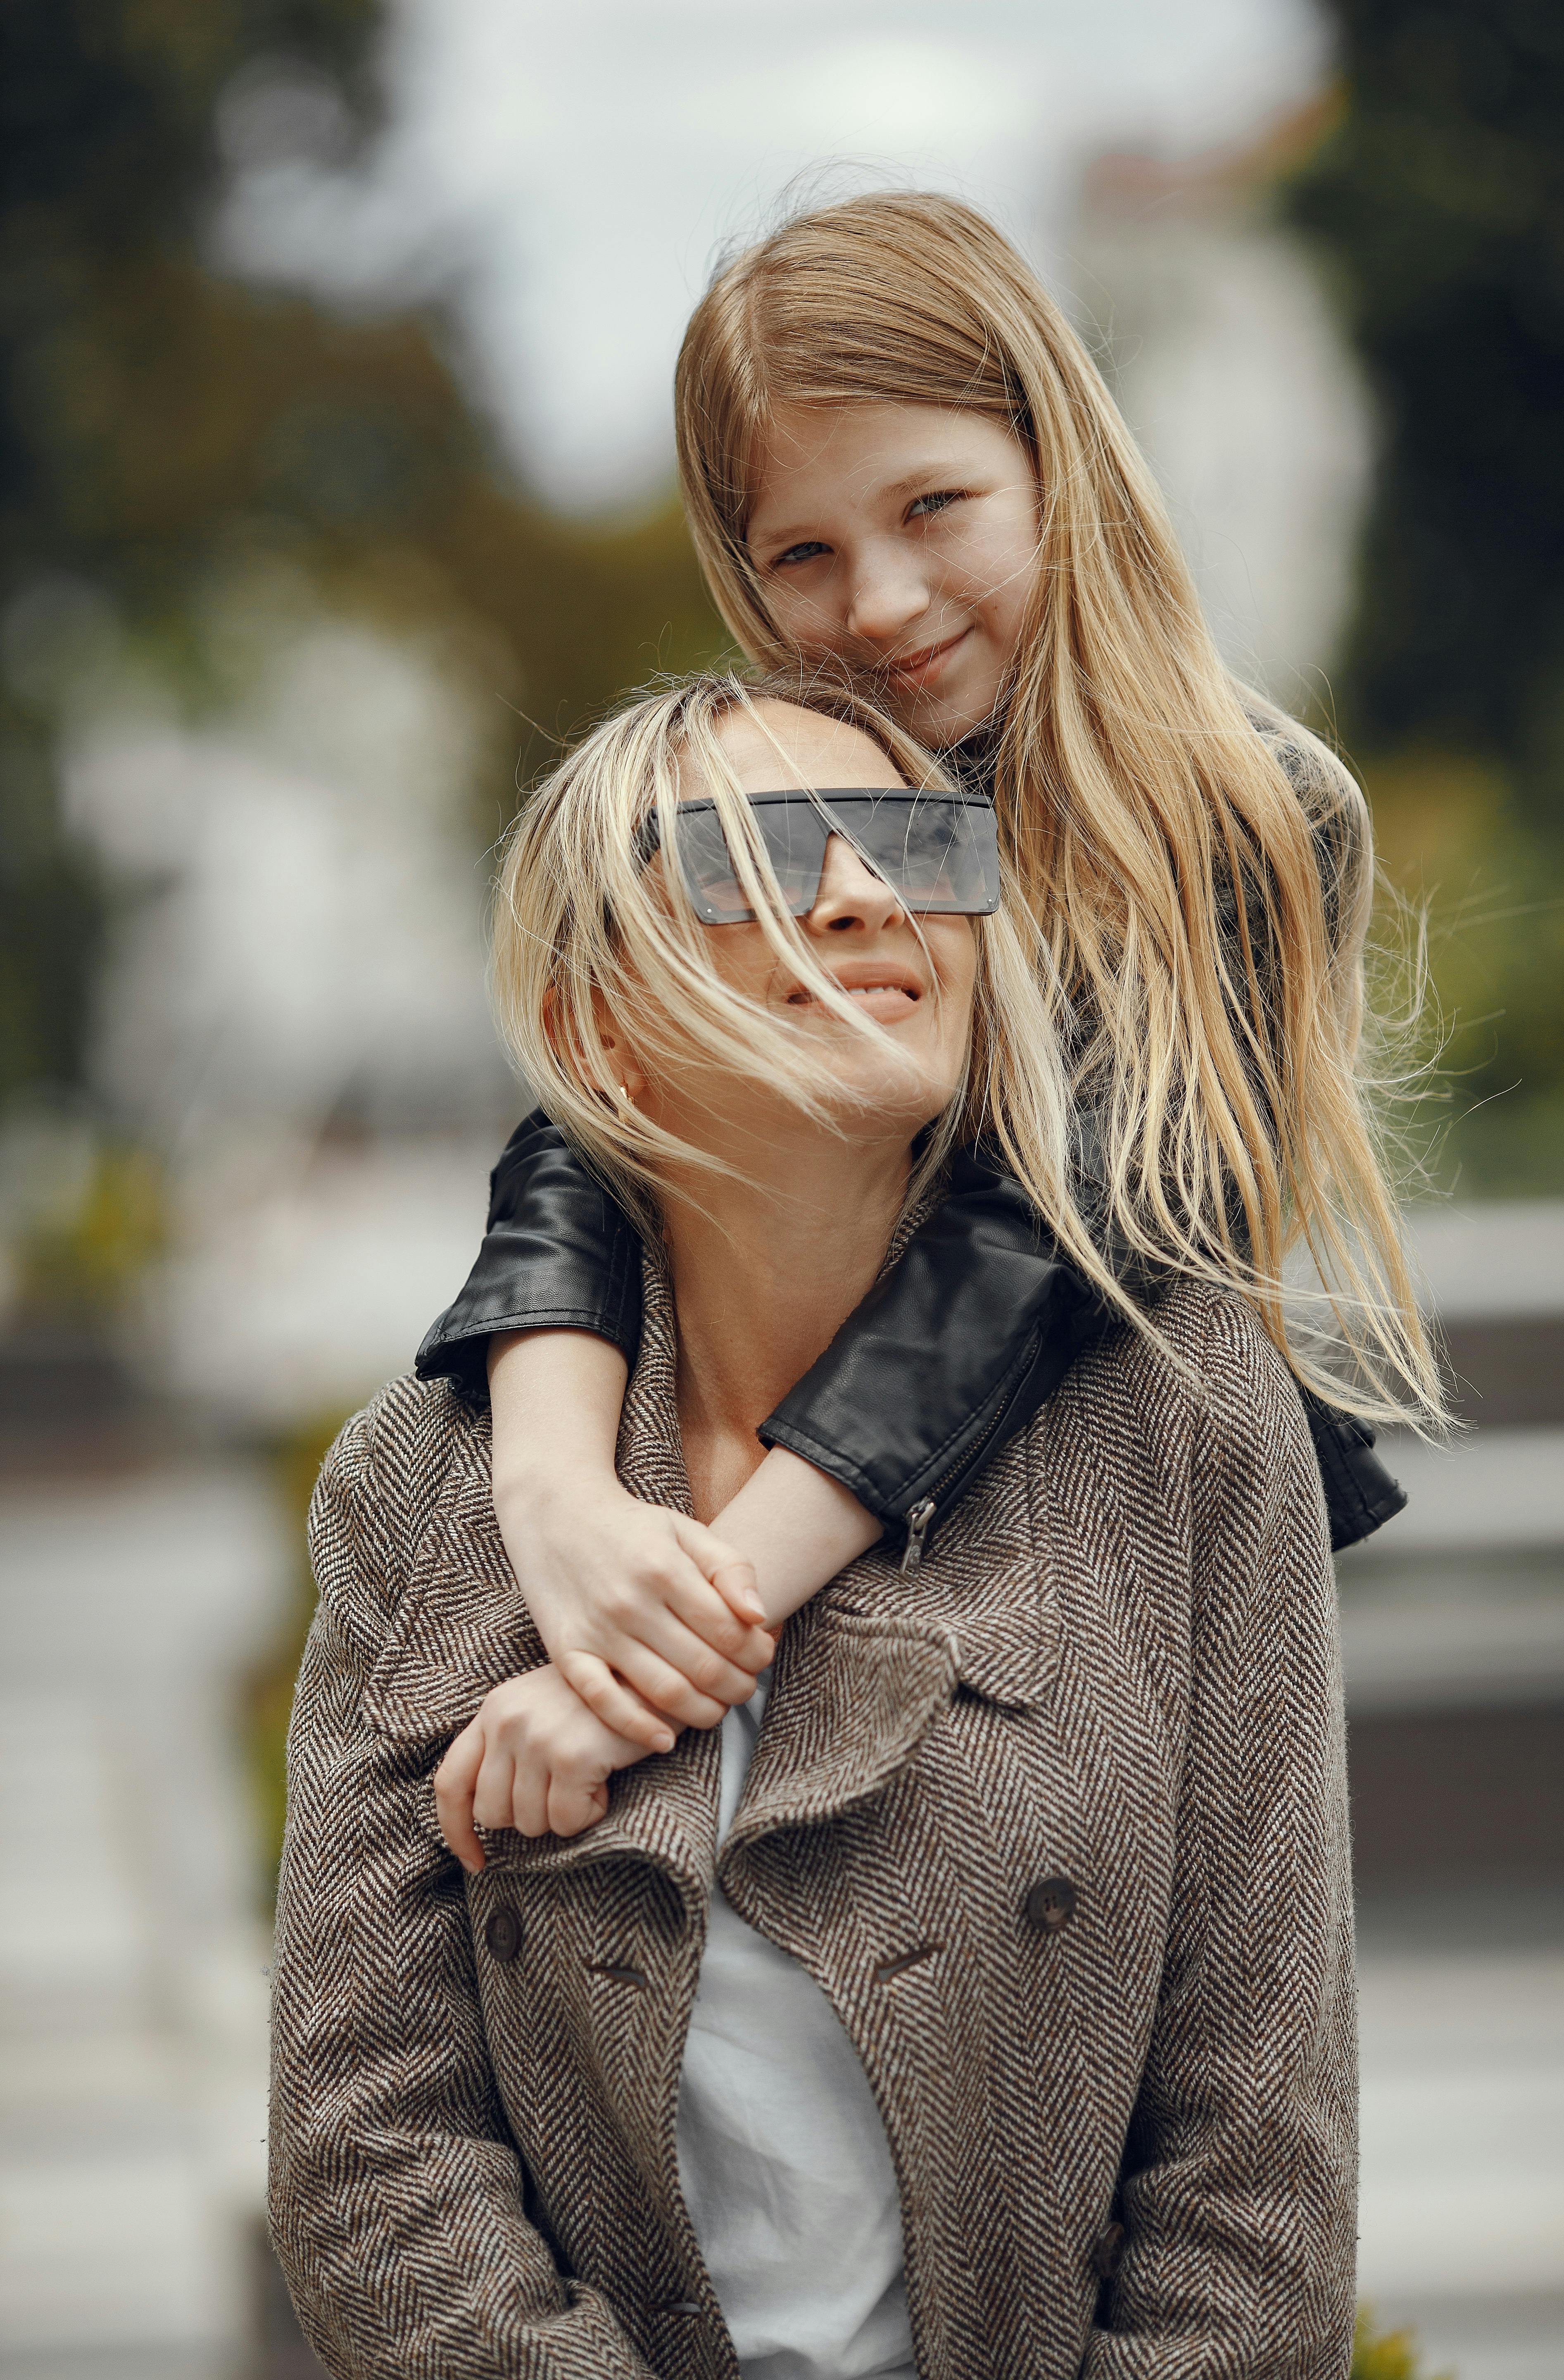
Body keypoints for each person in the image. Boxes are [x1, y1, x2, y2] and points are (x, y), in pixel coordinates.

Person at [271, 678, 1359, 2379]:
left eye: (920, 843)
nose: (865, 895)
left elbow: (1259, 2150)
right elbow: (371, 2160)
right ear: (597, 1019)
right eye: (759, 856)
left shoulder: (1185, 1413)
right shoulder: (423, 1488)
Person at [414, 192, 1438, 1780]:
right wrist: (553, 1493)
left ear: (1058, 468)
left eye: (935, 507)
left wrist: (679, 1644)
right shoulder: (775, 797)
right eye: (803, 553)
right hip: (766, 1494)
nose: (879, 605)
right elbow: (596, 1135)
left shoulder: (1239, 819)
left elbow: (1032, 1255)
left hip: (1085, 1550)